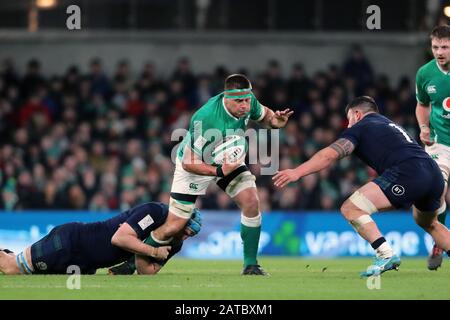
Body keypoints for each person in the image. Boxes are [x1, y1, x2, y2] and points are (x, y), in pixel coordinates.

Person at [273, 96, 450, 277]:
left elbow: (329, 155)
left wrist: (297, 172)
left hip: (408, 173)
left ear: (357, 114)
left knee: (351, 208)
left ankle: (385, 254)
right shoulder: (387, 124)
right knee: (430, 223)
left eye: (349, 118)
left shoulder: (361, 127)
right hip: (432, 173)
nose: (348, 124)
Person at [147, 74, 293, 276]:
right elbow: (190, 162)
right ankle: (133, 258)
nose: (244, 106)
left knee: (251, 201)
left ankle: (251, 265)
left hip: (228, 157)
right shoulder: (205, 117)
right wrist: (217, 171)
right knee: (175, 226)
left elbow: (267, 117)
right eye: (239, 101)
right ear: (226, 97)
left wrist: (278, 121)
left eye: (247, 100)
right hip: (197, 162)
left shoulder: (249, 103)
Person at [0, 202, 202, 275]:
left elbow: (146, 271)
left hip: (83, 267)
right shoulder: (154, 212)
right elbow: (119, 239)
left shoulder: (175, 243)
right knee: (11, 268)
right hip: (71, 243)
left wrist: (154, 241)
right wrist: (152, 251)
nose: (185, 237)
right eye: (185, 230)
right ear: (180, 218)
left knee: (17, 265)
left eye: (190, 236)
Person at [415, 24, 450, 270]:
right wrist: (424, 127)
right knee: (437, 193)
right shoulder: (425, 74)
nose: (439, 51)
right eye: (436, 47)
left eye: (445, 47)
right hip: (440, 144)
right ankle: (439, 242)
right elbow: (422, 104)